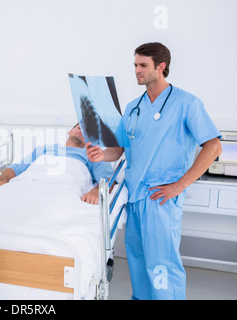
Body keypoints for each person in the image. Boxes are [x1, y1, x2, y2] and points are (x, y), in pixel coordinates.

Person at [86, 42, 222, 300]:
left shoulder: (187, 103)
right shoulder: (132, 108)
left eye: (142, 65)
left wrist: (179, 185)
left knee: (162, 266)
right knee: (137, 263)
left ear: (161, 67)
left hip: (161, 199)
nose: (136, 70)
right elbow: (121, 149)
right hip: (135, 197)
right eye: (135, 65)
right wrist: (102, 154)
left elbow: (213, 146)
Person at [0, 124, 114, 204]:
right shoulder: (44, 149)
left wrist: (95, 192)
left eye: (87, 132)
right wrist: (3, 180)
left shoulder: (93, 155)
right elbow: (14, 169)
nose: (82, 132)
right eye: (79, 128)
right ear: (70, 131)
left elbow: (109, 179)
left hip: (61, 191)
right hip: (26, 187)